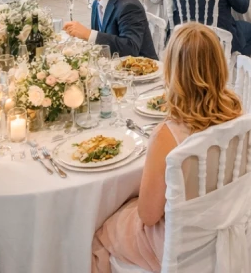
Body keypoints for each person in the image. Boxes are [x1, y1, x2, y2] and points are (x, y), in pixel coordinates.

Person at [91, 22, 242, 273]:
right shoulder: (237, 111)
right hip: (219, 223)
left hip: (177, 243)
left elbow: (148, 216)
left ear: (173, 71)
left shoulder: (167, 135)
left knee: (100, 232)